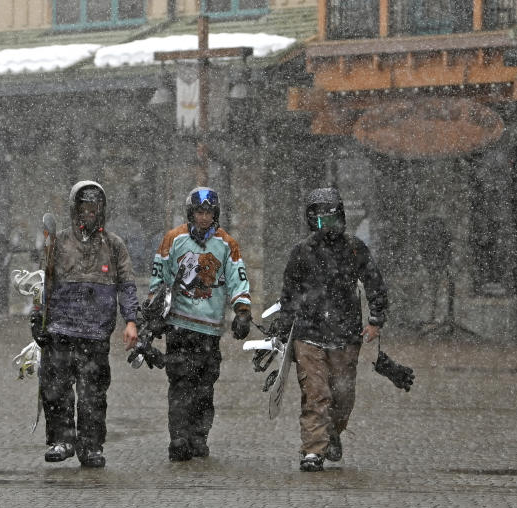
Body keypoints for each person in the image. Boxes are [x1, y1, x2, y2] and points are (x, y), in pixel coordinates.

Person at [275, 187, 389, 472]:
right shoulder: (301, 252)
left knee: (343, 395)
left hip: (345, 335)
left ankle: (333, 432)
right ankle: (313, 450)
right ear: (311, 220)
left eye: (333, 216)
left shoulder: (354, 248)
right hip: (308, 334)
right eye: (321, 218)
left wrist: (376, 319)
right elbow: (289, 295)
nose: (328, 224)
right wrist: (280, 330)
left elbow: (374, 282)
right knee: (315, 393)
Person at [29, 180, 139, 468]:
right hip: (60, 331)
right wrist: (37, 315)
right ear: (74, 209)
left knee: (93, 394)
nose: (89, 212)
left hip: (95, 334)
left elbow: (127, 285)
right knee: (56, 389)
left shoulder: (114, 246)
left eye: (95, 207)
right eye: (84, 206)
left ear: (102, 210)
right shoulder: (59, 242)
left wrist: (131, 321)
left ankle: (90, 446)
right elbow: (43, 282)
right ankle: (62, 439)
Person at [149, 186, 252, 461]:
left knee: (205, 387)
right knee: (180, 384)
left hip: (209, 329)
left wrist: (242, 311)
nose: (203, 217)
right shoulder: (173, 239)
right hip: (180, 326)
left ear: (215, 214)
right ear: (190, 213)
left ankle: (198, 436)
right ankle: (179, 437)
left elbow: (237, 279)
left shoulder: (227, 244)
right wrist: (153, 314)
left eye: (208, 212)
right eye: (199, 212)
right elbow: (159, 278)